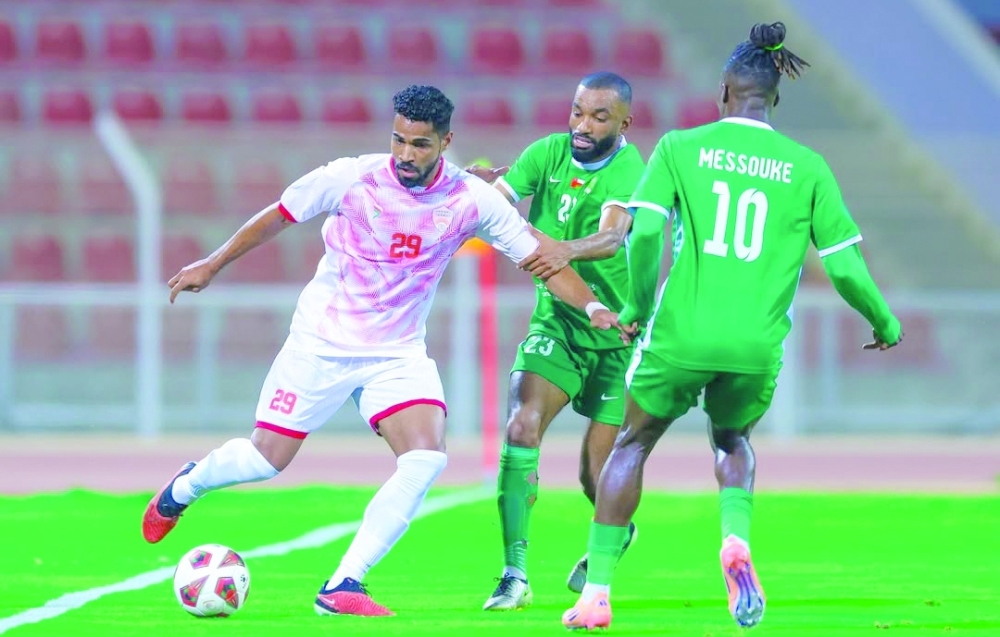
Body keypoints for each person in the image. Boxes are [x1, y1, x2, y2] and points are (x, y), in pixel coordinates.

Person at [138, 84, 624, 618]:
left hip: (395, 354)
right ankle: (187, 486)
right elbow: (280, 213)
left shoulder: (470, 200)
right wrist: (212, 263)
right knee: (263, 460)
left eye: (419, 145)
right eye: (398, 140)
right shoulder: (352, 176)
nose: (405, 155)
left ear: (445, 142)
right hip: (321, 344)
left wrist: (596, 308)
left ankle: (345, 583)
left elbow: (541, 257)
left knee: (425, 459)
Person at [561, 23, 904, 631]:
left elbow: (642, 233)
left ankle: (598, 595)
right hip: (755, 344)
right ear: (774, 98)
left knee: (633, 444)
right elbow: (845, 266)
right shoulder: (808, 166)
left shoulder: (679, 148)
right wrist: (884, 319)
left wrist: (638, 307)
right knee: (732, 442)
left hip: (680, 334)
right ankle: (735, 541)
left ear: (724, 91)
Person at [467, 72, 647, 611]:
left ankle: (615, 531)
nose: (582, 126)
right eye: (576, 112)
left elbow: (614, 236)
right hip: (558, 325)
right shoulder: (546, 153)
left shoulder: (632, 167)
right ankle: (514, 575)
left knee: (597, 479)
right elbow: (492, 204)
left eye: (597, 117)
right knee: (521, 428)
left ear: (623, 122)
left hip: (618, 335)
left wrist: (562, 248)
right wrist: (471, 186)